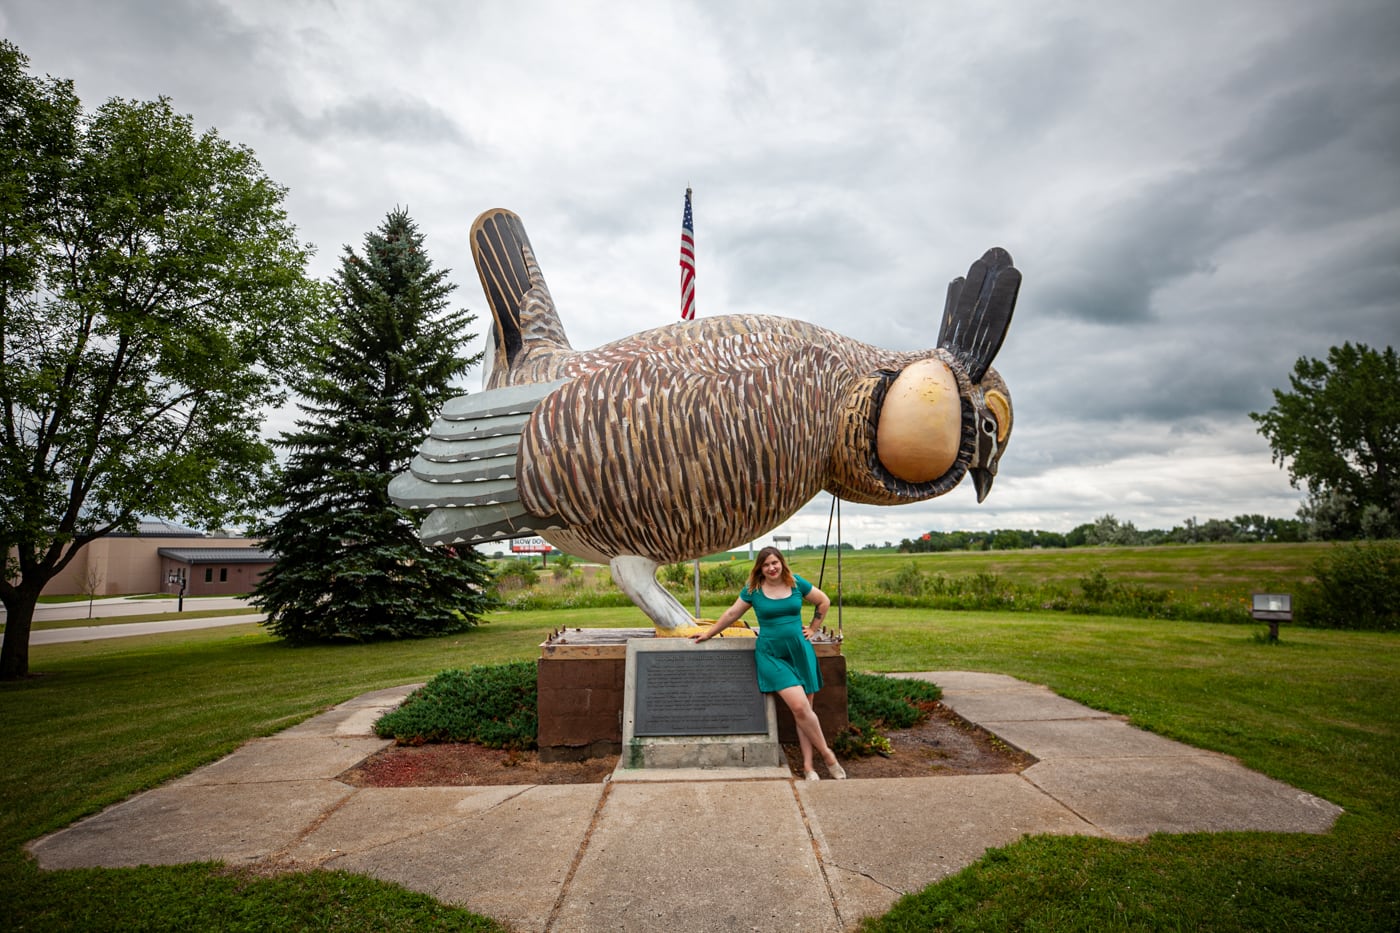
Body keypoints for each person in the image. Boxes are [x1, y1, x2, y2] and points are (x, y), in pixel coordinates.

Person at [691, 546, 846, 781]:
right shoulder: (753, 590)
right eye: (766, 565)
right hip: (771, 655)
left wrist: (813, 628)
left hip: (799, 652)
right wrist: (708, 633)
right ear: (760, 569)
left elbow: (823, 601)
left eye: (775, 562)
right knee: (799, 707)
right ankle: (828, 755)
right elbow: (732, 613)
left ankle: (808, 767)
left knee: (805, 713)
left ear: (781, 563)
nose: (771, 568)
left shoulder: (796, 583)